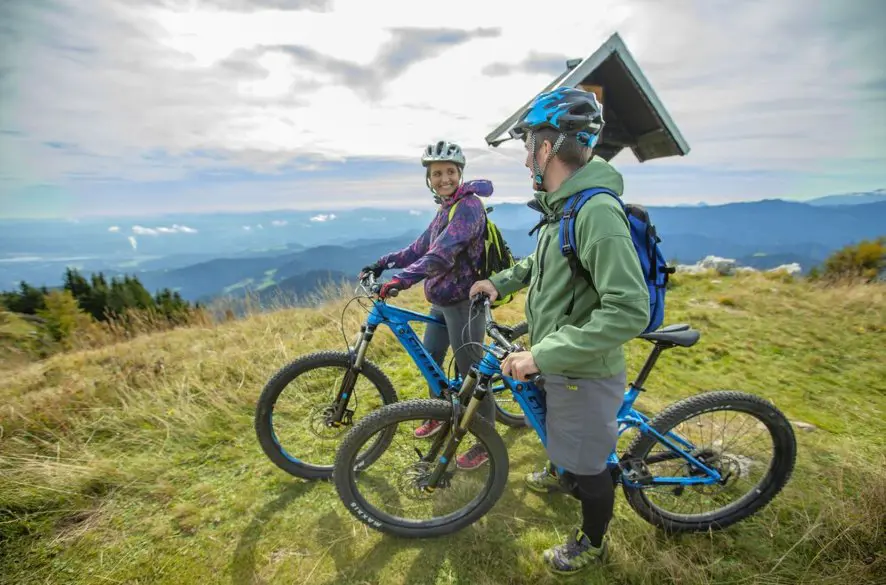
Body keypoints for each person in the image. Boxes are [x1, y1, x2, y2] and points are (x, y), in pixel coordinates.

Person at [469, 88, 651, 575]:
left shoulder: (595, 213)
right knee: (559, 437)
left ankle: (591, 542)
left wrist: (543, 356)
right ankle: (559, 464)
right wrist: (499, 282)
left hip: (584, 371)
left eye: (529, 144)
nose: (526, 154)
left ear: (547, 149)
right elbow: (542, 264)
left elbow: (630, 309)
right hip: (560, 358)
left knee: (590, 471)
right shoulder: (561, 208)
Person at [359, 140, 496, 471]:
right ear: (429, 179)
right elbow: (420, 247)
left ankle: (486, 441)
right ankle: (440, 415)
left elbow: (441, 254)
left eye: (450, 172)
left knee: (473, 375)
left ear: (460, 174)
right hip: (440, 300)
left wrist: (401, 281)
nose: (444, 178)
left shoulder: (468, 207)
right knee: (432, 361)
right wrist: (383, 263)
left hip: (464, 303)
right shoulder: (446, 207)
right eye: (437, 173)